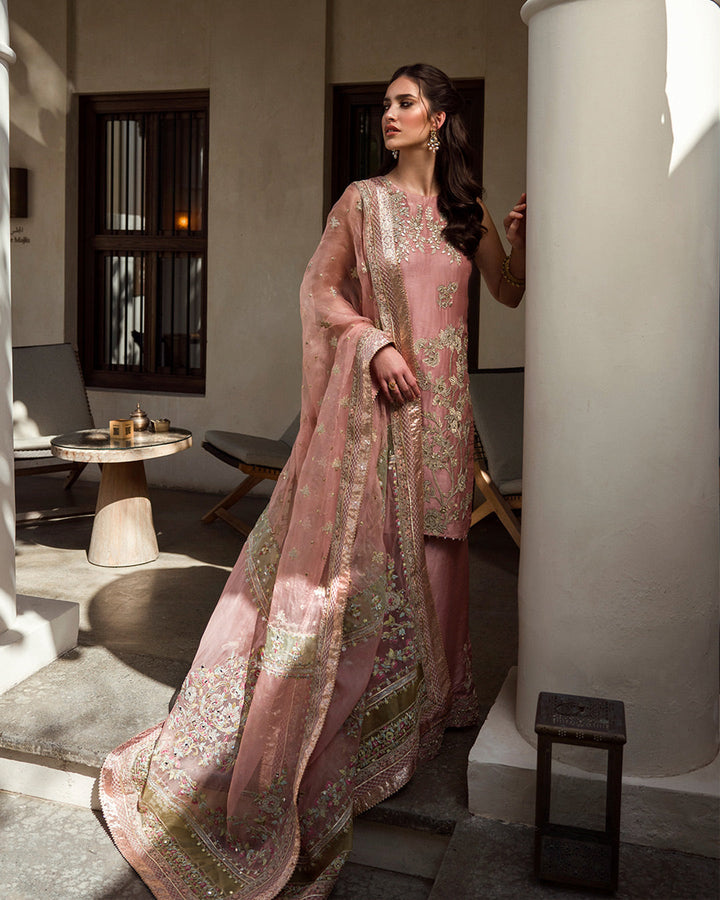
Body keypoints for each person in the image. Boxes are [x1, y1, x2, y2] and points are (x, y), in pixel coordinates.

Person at [100, 62, 525, 900]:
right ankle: (374, 713)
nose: (389, 115)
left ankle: (434, 703)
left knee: (442, 555)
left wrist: (522, 239)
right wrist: (374, 342)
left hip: (446, 416)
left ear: (440, 118)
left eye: (405, 103)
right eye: (386, 105)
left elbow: (506, 292)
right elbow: (318, 291)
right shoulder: (361, 203)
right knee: (376, 571)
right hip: (385, 409)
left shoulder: (466, 212)